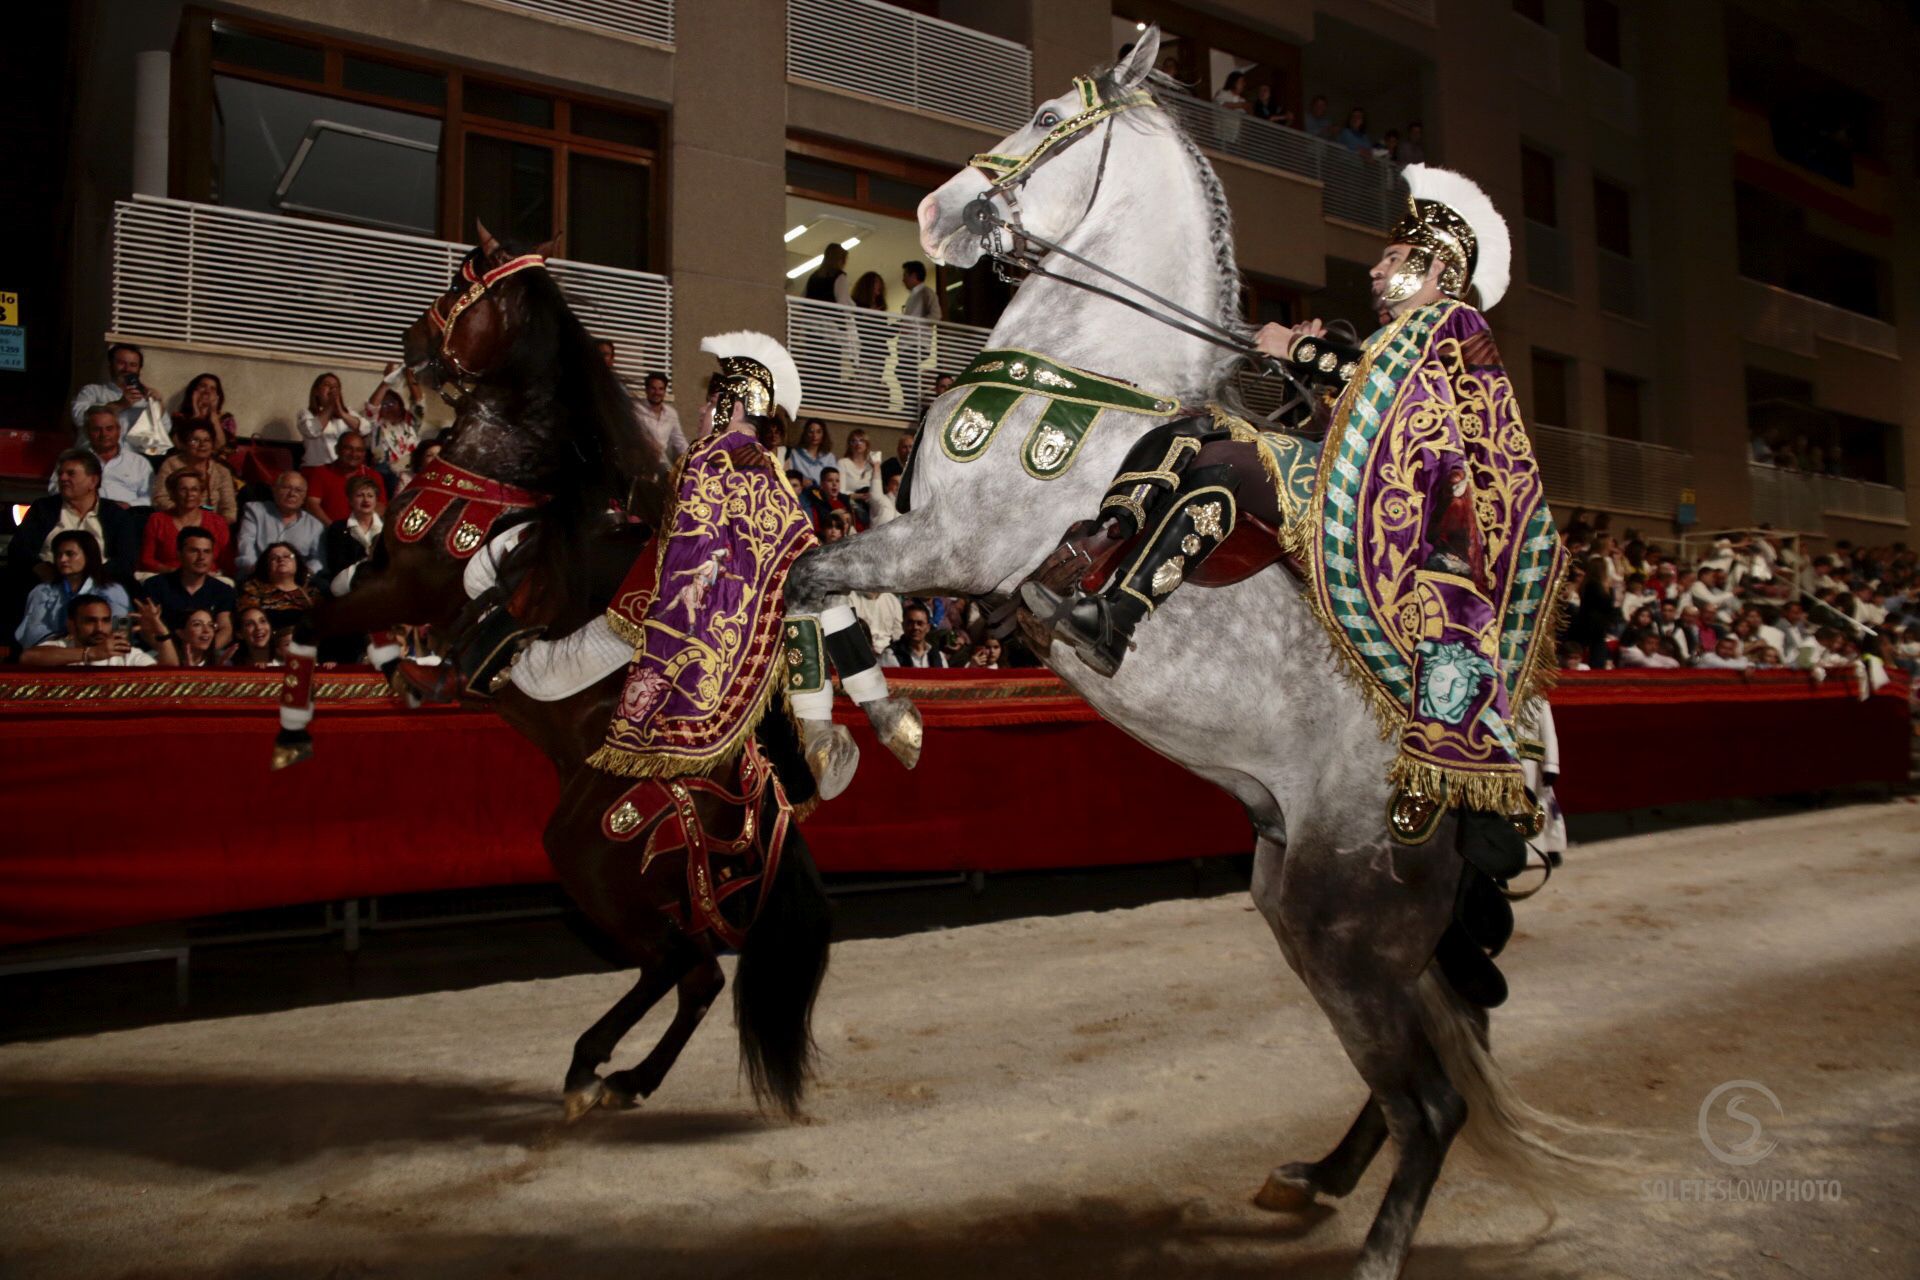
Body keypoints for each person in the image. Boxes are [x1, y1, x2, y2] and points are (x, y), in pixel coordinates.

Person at [1022, 163, 1558, 867]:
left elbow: (1403, 406)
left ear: (1438, 272)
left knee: (1219, 452)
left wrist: (1302, 350)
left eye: (1393, 259)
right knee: (1204, 445)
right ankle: (1112, 598)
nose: (1375, 270)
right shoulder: (1396, 340)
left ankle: (1112, 592)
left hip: (1398, 519)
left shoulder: (1450, 325)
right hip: (1353, 482)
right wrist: (1316, 371)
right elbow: (1362, 411)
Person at [9, 450, 142, 581]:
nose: (62, 478)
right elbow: (19, 548)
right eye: (60, 473)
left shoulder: (115, 515)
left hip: (100, 585)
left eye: (71, 474)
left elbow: (126, 559)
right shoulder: (43, 508)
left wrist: (88, 579)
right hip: (46, 582)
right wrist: (39, 567)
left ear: (93, 481)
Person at [14, 530, 131, 650]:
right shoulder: (43, 591)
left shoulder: (113, 590)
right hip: (55, 653)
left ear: (88, 555)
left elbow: (121, 631)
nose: (62, 559)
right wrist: (66, 644)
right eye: (58, 555)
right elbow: (32, 630)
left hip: (101, 652)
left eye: (70, 554)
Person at [141, 526, 238, 650]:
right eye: (194, 551)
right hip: (163, 655)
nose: (201, 557)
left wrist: (204, 657)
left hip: (207, 657)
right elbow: (147, 630)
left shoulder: (223, 590)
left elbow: (226, 629)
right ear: (179, 554)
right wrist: (172, 656)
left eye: (207, 551)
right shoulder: (156, 585)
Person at [69, 343, 171, 456]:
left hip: (130, 463)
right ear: (110, 365)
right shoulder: (92, 391)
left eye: (133, 365)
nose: (127, 369)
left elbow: (162, 436)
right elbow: (79, 418)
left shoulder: (146, 399)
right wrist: (119, 405)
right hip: (91, 459)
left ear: (139, 369)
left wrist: (157, 407)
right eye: (121, 363)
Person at [20, 594, 175, 668]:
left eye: (105, 620)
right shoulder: (61, 647)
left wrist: (163, 633)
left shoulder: (125, 654)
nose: (100, 628)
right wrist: (92, 653)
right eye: (90, 621)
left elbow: (168, 674)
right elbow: (28, 657)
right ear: (72, 625)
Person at [53, 405, 152, 506]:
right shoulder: (72, 460)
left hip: (126, 516)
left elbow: (150, 497)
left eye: (109, 429)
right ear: (87, 432)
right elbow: (54, 489)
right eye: (96, 429)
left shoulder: (139, 463)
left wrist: (128, 505)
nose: (104, 434)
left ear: (119, 430)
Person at [139, 470, 232, 575]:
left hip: (208, 579)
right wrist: (172, 572)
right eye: (183, 489)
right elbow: (146, 559)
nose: (189, 494)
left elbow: (227, 562)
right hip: (167, 577)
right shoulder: (157, 520)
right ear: (173, 493)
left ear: (201, 493)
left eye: (194, 489)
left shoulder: (217, 522)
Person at [236, 471, 327, 578]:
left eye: (298, 490)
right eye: (286, 488)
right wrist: (257, 570)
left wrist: (304, 573)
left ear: (304, 497)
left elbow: (318, 559)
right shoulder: (255, 511)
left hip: (296, 579)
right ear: (274, 490)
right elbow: (246, 544)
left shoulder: (315, 525)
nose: (292, 494)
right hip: (257, 574)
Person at [152, 418, 240, 522]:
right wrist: (188, 516)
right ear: (185, 444)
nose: (202, 444)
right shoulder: (171, 464)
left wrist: (218, 525)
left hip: (212, 525)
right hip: (177, 521)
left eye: (207, 440)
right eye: (195, 440)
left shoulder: (222, 471)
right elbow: (160, 498)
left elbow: (229, 508)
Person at [302, 429, 387, 524]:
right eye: (348, 448)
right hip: (326, 530)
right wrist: (333, 528)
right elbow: (312, 504)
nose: (354, 454)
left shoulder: (374, 476)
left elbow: (381, 507)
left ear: (364, 454)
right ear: (337, 449)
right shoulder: (321, 472)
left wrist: (360, 529)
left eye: (359, 450)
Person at [322, 476, 385, 591]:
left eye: (370, 496)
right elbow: (337, 565)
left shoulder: (386, 528)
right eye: (360, 495)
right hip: (349, 586)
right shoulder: (338, 528)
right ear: (350, 500)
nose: (366, 500)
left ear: (376, 500)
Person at [239, 542, 318, 631]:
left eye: (287, 556)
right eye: (274, 558)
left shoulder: (311, 592)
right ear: (267, 566)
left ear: (297, 563)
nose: (281, 559)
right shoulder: (253, 590)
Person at [296, 372, 365, 467]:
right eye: (327, 385)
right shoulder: (306, 413)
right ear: (316, 391)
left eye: (336, 387)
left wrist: (341, 413)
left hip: (346, 468)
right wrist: (330, 406)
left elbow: (365, 429)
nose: (332, 389)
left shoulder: (348, 412)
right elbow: (312, 431)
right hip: (317, 468)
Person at [633, 370, 689, 469]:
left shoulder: (671, 413)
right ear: (646, 390)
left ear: (664, 391)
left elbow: (680, 441)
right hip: (641, 463)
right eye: (653, 388)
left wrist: (692, 458)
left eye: (661, 389)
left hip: (662, 463)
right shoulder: (637, 410)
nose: (657, 392)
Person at [179, 372, 241, 452]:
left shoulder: (226, 418)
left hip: (215, 462)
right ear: (193, 391)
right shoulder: (179, 417)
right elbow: (182, 446)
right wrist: (196, 414)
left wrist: (213, 414)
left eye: (212, 389)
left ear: (217, 396)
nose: (207, 391)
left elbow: (222, 447)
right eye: (203, 386)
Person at [880, 602, 949, 668]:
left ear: (928, 628)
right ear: (903, 626)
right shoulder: (890, 655)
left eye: (920, 623)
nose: (915, 627)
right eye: (910, 623)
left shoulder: (938, 656)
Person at [804, 467, 864, 535]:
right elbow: (817, 530)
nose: (834, 484)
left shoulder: (846, 501)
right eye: (830, 480)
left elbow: (858, 526)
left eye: (837, 481)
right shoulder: (818, 504)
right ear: (821, 484)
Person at [838, 428, 882, 513]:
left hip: (871, 504)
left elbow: (878, 489)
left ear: (866, 444)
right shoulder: (843, 463)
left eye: (861, 440)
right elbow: (841, 492)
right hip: (851, 504)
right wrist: (859, 496)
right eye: (854, 441)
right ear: (849, 445)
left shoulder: (872, 464)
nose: (858, 444)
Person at [790, 418, 836, 486]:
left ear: (823, 435)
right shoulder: (795, 454)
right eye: (811, 432)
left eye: (818, 432)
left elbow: (833, 479)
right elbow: (789, 477)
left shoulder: (829, 457)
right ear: (805, 434)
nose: (814, 435)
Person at [804, 242, 852, 307]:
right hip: (828, 315)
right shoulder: (840, 277)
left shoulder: (814, 276)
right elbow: (842, 302)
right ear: (841, 260)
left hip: (809, 314)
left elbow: (804, 296)